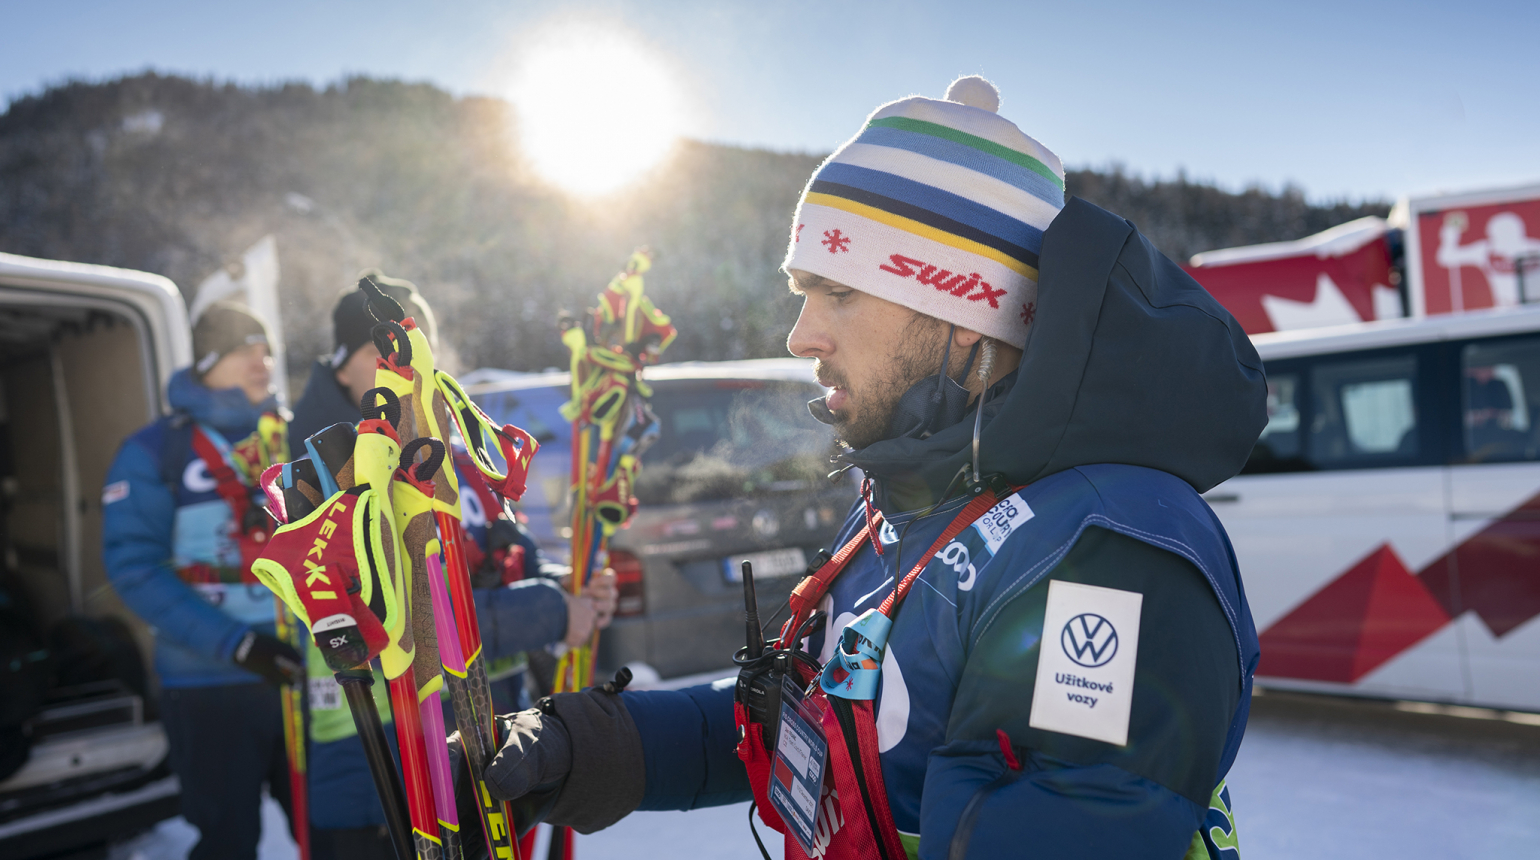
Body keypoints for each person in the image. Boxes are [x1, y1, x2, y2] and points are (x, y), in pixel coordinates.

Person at [455, 77, 1266, 860]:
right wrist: (593, 748)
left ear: (963, 310)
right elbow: (813, 722)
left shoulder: (1106, 553)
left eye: (837, 291)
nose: (799, 336)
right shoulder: (911, 499)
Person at [291, 271, 615, 859]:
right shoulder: (323, 470)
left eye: (420, 348)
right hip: (381, 767)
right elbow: (402, 609)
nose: (411, 366)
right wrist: (552, 610)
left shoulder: (449, 451)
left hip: (479, 741)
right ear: (352, 362)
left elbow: (511, 552)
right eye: (388, 352)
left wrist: (572, 592)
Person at [103, 302, 300, 860]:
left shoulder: (291, 437)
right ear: (208, 361)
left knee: (332, 834)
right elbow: (133, 568)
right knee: (226, 842)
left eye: (265, 349)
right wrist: (234, 643)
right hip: (207, 686)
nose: (260, 361)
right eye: (244, 348)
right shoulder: (153, 450)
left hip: (305, 674)